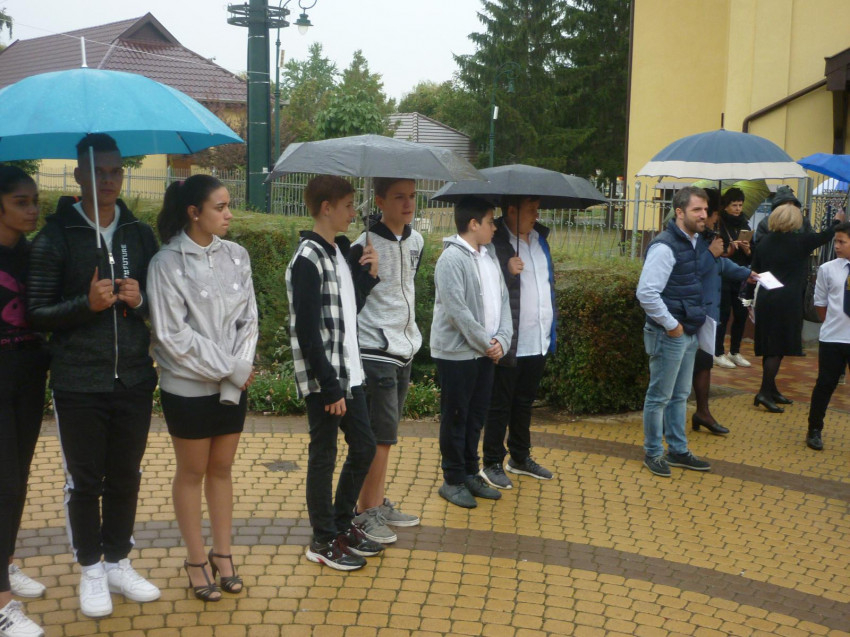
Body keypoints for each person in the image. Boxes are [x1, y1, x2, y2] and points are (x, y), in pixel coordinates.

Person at [26, 134, 160, 617]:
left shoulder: (139, 234)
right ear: (78, 174)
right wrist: (87, 305)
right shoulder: (55, 237)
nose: (107, 180)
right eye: (97, 171)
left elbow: (162, 305)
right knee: (85, 481)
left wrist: (140, 300)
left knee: (127, 475)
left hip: (134, 379)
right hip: (78, 381)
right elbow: (36, 313)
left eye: (115, 171)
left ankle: (119, 560)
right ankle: (90, 568)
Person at [147, 175, 258, 601]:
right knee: (192, 471)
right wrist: (232, 367)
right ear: (194, 212)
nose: (229, 214)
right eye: (220, 207)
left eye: (229, 205)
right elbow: (172, 336)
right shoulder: (166, 263)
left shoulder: (237, 255)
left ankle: (222, 553)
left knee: (223, 468)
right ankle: (196, 560)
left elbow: (249, 319)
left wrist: (238, 369)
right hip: (188, 386)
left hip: (232, 385)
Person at [285, 175, 383, 571]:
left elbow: (347, 308)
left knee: (364, 447)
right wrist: (328, 386)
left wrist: (367, 277)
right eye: (347, 206)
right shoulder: (307, 259)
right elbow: (307, 330)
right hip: (325, 379)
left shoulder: (338, 252)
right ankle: (322, 539)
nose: (353, 213)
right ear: (326, 208)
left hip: (349, 372)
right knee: (323, 454)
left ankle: (341, 525)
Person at [351, 177, 423, 544]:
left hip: (404, 348)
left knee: (388, 437)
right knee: (379, 437)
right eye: (398, 197)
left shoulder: (417, 240)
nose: (408, 204)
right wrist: (369, 271)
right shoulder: (362, 245)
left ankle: (377, 502)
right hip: (375, 350)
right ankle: (366, 511)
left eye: (412, 196)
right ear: (379, 201)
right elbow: (352, 301)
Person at [431, 196, 512, 508]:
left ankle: (469, 473)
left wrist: (502, 339)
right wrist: (487, 344)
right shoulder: (451, 259)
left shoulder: (489, 256)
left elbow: (503, 301)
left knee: (475, 417)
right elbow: (457, 312)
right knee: (456, 417)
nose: (495, 227)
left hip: (485, 354)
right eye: (490, 222)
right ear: (473, 224)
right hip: (457, 355)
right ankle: (452, 479)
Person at [0, 167, 49, 637]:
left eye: (34, 200)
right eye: (21, 201)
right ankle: (1, 605)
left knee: (18, 480)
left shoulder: (33, 254)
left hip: (29, 378)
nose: (32, 209)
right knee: (4, 484)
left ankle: (6, 562)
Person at [480, 195, 556, 490]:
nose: (536, 215)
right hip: (510, 340)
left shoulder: (540, 239)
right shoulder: (494, 242)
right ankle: (492, 462)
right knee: (499, 404)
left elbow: (546, 285)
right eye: (531, 210)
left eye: (538, 210)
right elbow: (485, 286)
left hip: (538, 338)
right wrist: (506, 270)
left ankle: (520, 457)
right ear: (512, 210)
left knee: (524, 402)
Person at [636, 186, 712, 477]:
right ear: (679, 212)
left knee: (680, 395)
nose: (703, 215)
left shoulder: (693, 241)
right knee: (659, 397)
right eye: (697, 210)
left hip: (687, 330)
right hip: (670, 333)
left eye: (705, 209)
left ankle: (678, 450)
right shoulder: (665, 246)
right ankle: (653, 453)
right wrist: (673, 326)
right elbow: (646, 293)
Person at [751, 202, 845, 413]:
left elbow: (755, 269)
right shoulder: (800, 241)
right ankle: (764, 392)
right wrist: (837, 220)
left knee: (771, 346)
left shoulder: (764, 242)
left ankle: (771, 389)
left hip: (766, 298)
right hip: (787, 301)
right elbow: (825, 236)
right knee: (777, 347)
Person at [692, 193, 755, 436]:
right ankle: (671, 418)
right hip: (692, 311)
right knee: (686, 366)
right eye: (711, 214)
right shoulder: (691, 240)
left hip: (708, 312)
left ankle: (703, 412)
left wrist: (746, 273)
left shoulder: (709, 237)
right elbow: (690, 272)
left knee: (704, 364)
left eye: (708, 212)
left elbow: (721, 265)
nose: (710, 219)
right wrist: (711, 253)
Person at [805, 221, 850, 450]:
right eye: (836, 241)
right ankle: (814, 429)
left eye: (842, 242)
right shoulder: (828, 269)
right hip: (833, 338)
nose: (837, 246)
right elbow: (820, 303)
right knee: (825, 383)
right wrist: (833, 323)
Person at [713, 188, 752, 369]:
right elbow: (717, 249)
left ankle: (735, 351)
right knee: (723, 314)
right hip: (724, 276)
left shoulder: (745, 224)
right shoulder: (719, 224)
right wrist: (732, 245)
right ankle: (718, 351)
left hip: (741, 276)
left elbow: (753, 254)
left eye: (740, 205)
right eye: (734, 205)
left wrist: (748, 250)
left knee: (741, 314)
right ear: (726, 206)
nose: (737, 209)